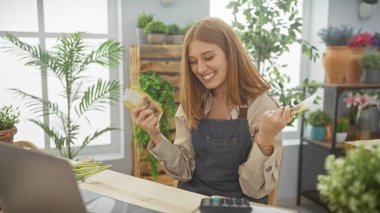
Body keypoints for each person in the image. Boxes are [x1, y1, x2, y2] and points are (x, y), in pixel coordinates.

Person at [131, 17, 292, 204]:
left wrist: (265, 140)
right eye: (193, 61)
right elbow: (183, 171)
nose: (200, 68)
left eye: (208, 57)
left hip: (240, 205)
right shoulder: (194, 102)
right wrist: (155, 134)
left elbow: (254, 189)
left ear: (231, 54)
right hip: (193, 201)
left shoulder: (262, 106)